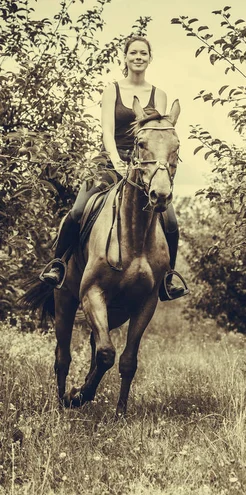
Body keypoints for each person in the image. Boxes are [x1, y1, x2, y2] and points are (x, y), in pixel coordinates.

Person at [41, 35, 188, 301]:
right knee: (77, 211)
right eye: (134, 53)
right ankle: (59, 265)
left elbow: (156, 135)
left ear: (150, 58)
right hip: (109, 162)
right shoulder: (113, 90)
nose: (139, 57)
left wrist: (153, 168)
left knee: (171, 221)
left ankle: (168, 278)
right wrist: (117, 161)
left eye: (144, 53)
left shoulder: (159, 95)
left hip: (146, 167)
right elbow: (107, 132)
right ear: (126, 57)